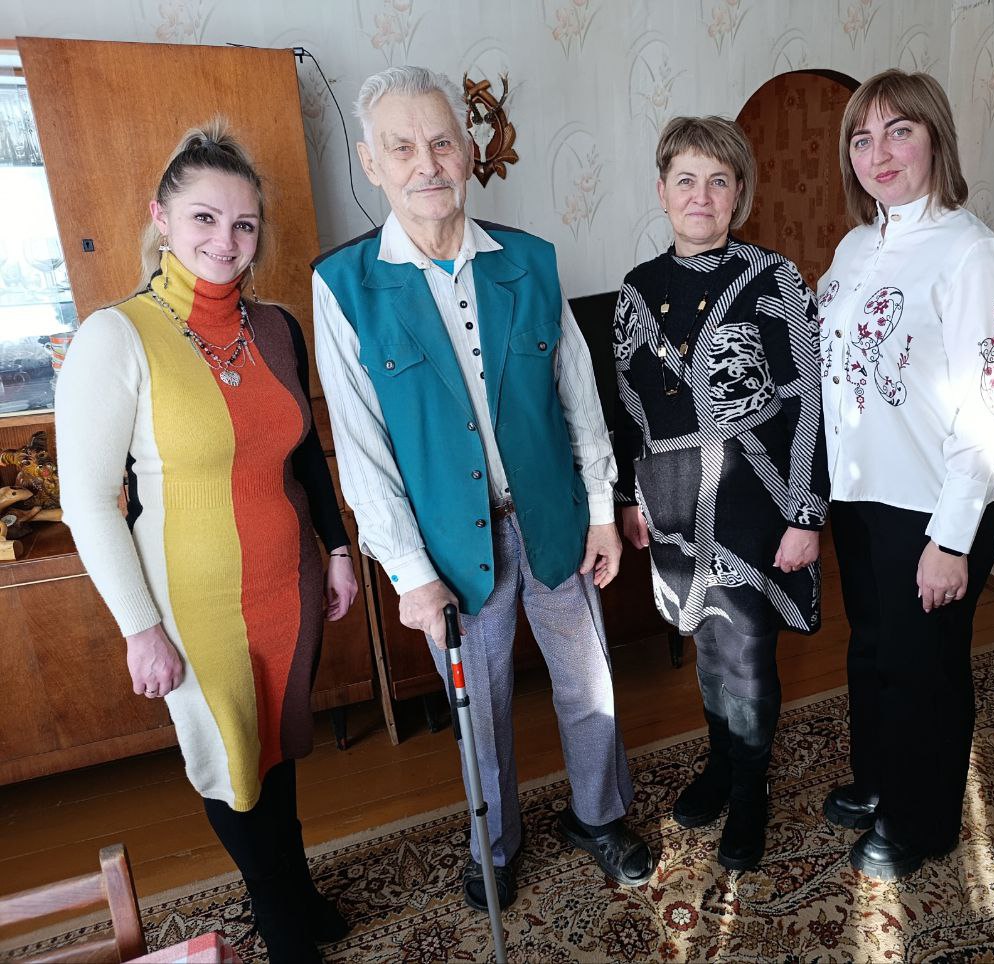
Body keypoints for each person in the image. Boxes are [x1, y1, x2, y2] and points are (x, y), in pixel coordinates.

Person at [311, 65, 654, 911]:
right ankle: (493, 843)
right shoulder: (344, 286)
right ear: (370, 162)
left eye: (441, 142)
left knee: (589, 686)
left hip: (553, 520)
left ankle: (599, 816)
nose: (426, 163)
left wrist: (601, 510)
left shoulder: (529, 262)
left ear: (467, 152)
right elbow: (362, 449)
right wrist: (407, 572)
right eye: (401, 147)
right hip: (447, 548)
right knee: (480, 712)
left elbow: (579, 397)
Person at [56, 122, 360, 962]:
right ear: (161, 218)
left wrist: (337, 548)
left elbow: (305, 454)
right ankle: (279, 916)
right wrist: (140, 628)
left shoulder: (278, 328)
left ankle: (293, 888)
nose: (226, 241)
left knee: (275, 746)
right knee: (230, 759)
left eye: (243, 224)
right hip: (194, 605)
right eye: (204, 218)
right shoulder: (115, 337)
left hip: (289, 586)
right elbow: (88, 501)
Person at [817, 68, 994, 881]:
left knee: (924, 668)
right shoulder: (855, 246)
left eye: (899, 131)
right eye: (862, 139)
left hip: (932, 508)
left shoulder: (973, 254)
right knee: (872, 652)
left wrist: (951, 538)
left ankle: (923, 820)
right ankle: (878, 782)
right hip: (861, 496)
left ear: (936, 139)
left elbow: (988, 408)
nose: (879, 153)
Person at [613, 116, 828, 870]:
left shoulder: (775, 279)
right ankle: (720, 763)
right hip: (672, 503)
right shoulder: (636, 290)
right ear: (662, 191)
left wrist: (806, 514)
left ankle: (751, 789)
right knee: (706, 644)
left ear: (739, 193)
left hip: (752, 503)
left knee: (748, 653)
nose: (700, 196)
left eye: (718, 181)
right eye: (686, 180)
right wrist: (629, 499)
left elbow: (808, 398)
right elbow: (627, 407)